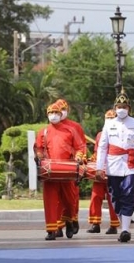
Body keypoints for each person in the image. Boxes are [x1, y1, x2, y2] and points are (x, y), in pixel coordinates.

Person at [96, 90, 134, 243]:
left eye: (124, 106)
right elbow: (102, 147)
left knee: (129, 194)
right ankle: (123, 226)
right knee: (115, 197)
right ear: (115, 108)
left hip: (131, 164)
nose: (122, 109)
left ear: (129, 109)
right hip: (113, 166)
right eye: (119, 106)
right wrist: (100, 167)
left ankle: (125, 230)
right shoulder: (108, 124)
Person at [34, 103, 82, 240]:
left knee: (69, 199)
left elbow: (79, 147)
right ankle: (51, 230)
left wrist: (79, 156)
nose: (53, 115)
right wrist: (39, 155)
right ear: (47, 114)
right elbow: (39, 148)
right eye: (50, 113)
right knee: (50, 200)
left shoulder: (70, 130)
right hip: (50, 171)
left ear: (61, 115)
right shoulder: (43, 132)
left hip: (67, 171)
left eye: (56, 112)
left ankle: (69, 221)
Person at [54, 98, 87, 238]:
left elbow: (82, 146)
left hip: (71, 167)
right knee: (56, 198)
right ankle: (58, 226)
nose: (60, 113)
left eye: (63, 110)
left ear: (68, 111)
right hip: (55, 167)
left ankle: (72, 220)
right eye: (58, 110)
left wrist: (80, 161)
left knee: (71, 197)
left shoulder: (75, 127)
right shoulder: (50, 128)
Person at [86, 109, 120, 234]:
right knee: (96, 196)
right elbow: (97, 153)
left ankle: (114, 225)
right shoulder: (100, 135)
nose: (109, 120)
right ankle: (95, 224)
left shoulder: (120, 133)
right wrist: (92, 161)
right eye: (107, 118)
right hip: (100, 171)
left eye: (112, 118)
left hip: (114, 170)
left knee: (113, 198)